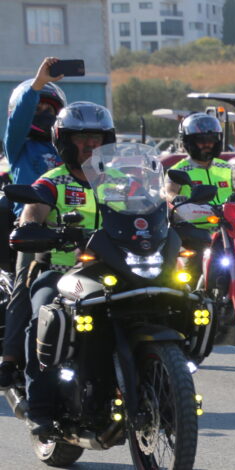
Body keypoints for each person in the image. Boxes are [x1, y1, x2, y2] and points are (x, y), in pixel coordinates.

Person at [17, 102, 115, 436]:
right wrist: (36, 229)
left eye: (97, 138)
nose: (90, 146)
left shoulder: (118, 181)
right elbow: (32, 214)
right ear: (64, 141)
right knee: (44, 317)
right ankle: (40, 409)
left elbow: (150, 207)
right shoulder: (52, 182)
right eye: (82, 138)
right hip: (61, 273)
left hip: (113, 272)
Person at [0, 58, 67, 389]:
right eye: (37, 107)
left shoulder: (68, 150)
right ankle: (10, 360)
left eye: (48, 108)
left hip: (72, 227)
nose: (43, 112)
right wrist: (37, 85)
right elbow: (18, 121)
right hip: (32, 230)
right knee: (24, 289)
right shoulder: (19, 148)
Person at [164, 113, 235, 221]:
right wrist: (175, 198)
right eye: (200, 141)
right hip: (195, 230)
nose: (206, 144)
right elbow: (167, 191)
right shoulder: (178, 170)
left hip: (228, 227)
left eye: (211, 140)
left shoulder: (227, 167)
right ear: (189, 142)